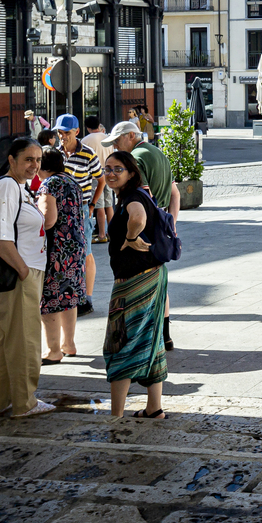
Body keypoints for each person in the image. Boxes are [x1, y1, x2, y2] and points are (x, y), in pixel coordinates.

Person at [0, 138, 54, 418]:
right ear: (11, 160)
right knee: (24, 340)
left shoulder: (18, 187)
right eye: (28, 159)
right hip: (18, 274)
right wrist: (24, 271)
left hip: (21, 272)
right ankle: (25, 403)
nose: (34, 165)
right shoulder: (7, 186)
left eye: (38, 160)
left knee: (8, 339)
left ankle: (2, 401)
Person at [102, 150, 169, 419]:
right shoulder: (136, 194)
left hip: (134, 281)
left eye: (118, 169)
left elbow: (138, 217)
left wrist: (130, 237)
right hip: (151, 275)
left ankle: (116, 415)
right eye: (107, 168)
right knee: (150, 339)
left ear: (131, 173)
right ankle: (154, 408)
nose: (111, 173)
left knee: (120, 341)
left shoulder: (132, 197)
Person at [104, 120, 181, 348]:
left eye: (117, 142)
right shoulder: (156, 151)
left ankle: (143, 344)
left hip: (142, 234)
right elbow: (175, 193)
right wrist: (170, 224)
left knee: (140, 289)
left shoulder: (135, 158)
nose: (116, 148)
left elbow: (139, 205)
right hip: (158, 228)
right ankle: (163, 336)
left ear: (129, 136)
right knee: (159, 285)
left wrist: (130, 237)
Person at [35, 149, 86, 364]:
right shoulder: (71, 181)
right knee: (69, 297)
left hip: (57, 250)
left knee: (50, 300)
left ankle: (53, 350)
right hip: (75, 247)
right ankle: (69, 344)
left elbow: (48, 220)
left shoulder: (49, 184)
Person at [55, 114, 102, 313]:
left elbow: (101, 180)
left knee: (86, 252)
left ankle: (87, 299)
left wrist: (92, 205)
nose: (62, 136)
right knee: (62, 254)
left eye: (66, 132)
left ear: (76, 132)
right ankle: (66, 294)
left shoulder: (88, 153)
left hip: (81, 207)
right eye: (59, 132)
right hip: (59, 209)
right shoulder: (55, 154)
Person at [82, 115, 114, 243]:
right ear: (99, 124)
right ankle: (111, 232)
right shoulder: (108, 138)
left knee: (99, 205)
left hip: (95, 174)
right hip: (109, 172)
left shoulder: (85, 140)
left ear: (87, 127)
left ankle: (101, 234)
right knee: (109, 203)